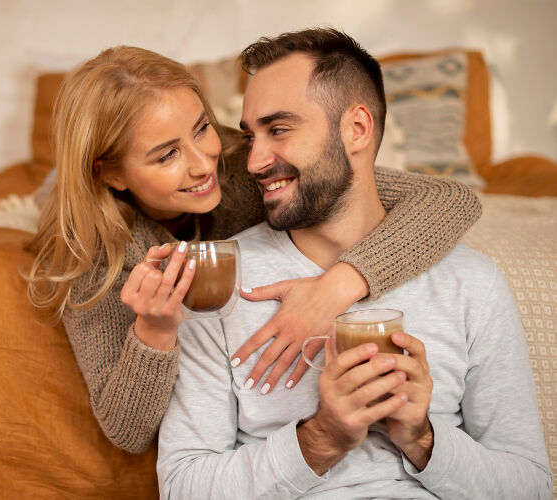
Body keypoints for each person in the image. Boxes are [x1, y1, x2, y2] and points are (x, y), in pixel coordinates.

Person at [25, 45, 482, 454]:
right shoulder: (93, 254)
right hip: (78, 201)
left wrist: (336, 287)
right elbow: (126, 431)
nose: (202, 165)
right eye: (167, 155)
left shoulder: (241, 166)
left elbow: (451, 197)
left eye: (200, 128)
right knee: (41, 195)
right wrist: (155, 332)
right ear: (112, 175)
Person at [157, 28, 552, 499]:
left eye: (279, 129)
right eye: (249, 135)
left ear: (357, 129)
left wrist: (422, 439)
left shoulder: (471, 281)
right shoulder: (218, 281)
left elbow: (531, 487)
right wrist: (320, 439)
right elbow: (182, 488)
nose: (255, 160)